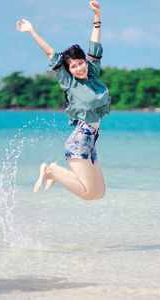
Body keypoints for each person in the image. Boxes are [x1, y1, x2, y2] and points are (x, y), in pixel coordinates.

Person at [16, 1, 111, 200]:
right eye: (73, 66)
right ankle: (51, 171)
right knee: (88, 194)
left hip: (92, 140)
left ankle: (55, 172)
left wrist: (97, 16)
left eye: (81, 63)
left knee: (99, 193)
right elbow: (51, 53)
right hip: (80, 140)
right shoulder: (70, 84)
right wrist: (32, 31)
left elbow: (94, 45)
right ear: (69, 70)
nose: (79, 68)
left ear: (85, 62)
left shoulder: (92, 75)